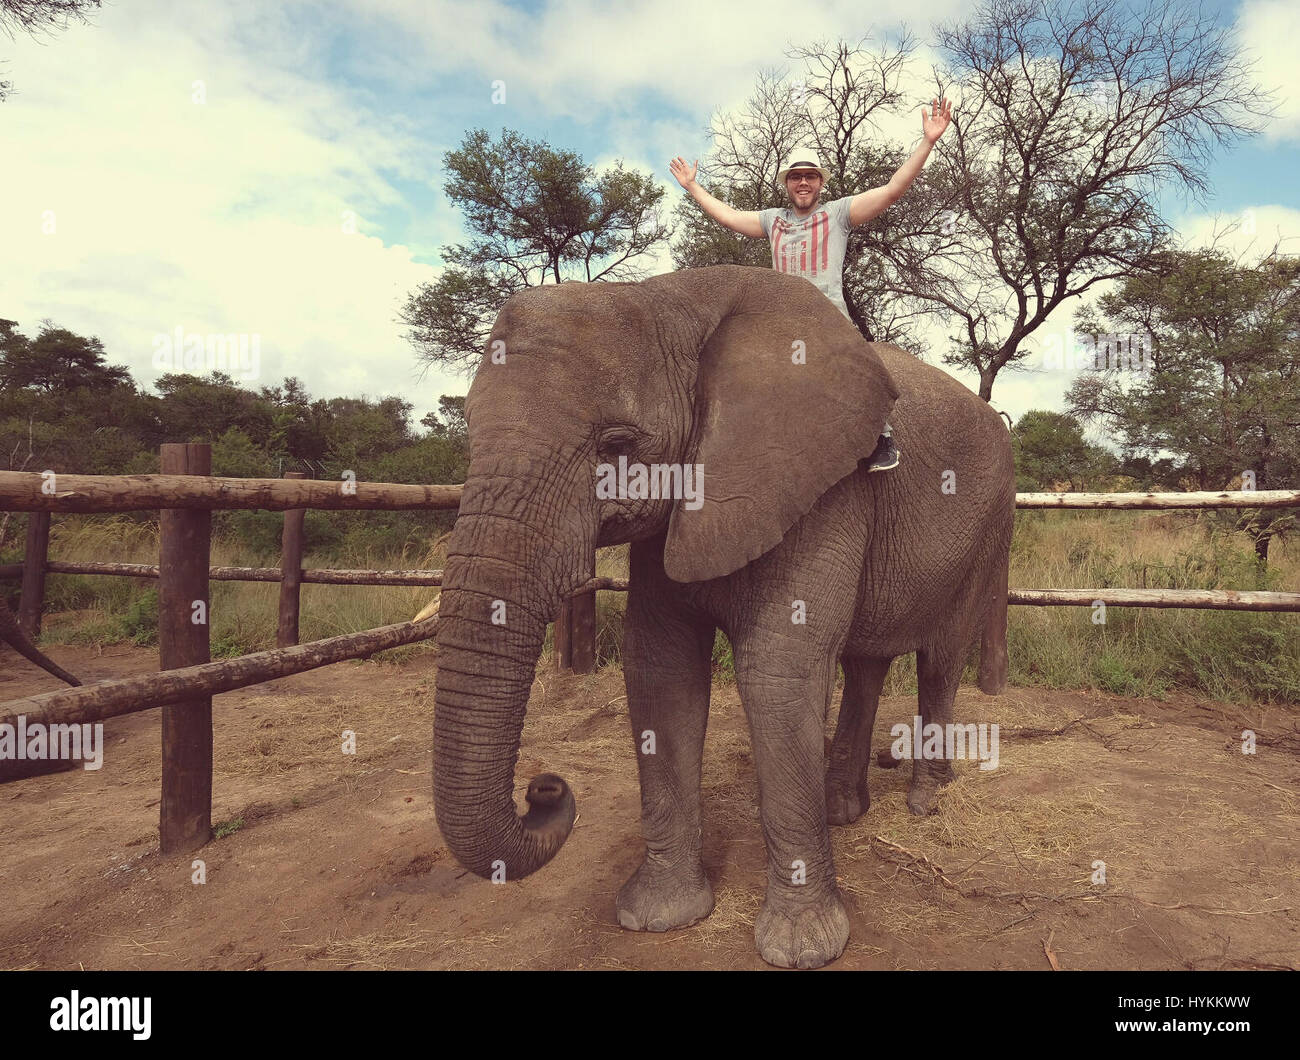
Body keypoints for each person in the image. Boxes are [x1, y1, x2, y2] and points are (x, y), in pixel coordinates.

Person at [670, 96, 953, 471]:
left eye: (810, 176)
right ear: (787, 184)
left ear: (820, 183)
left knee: (859, 369)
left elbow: (891, 191)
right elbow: (729, 217)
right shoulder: (773, 220)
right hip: (782, 323)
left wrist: (928, 142)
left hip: (828, 319)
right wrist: (693, 187)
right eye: (796, 177)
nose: (803, 182)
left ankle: (881, 439)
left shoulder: (838, 215)